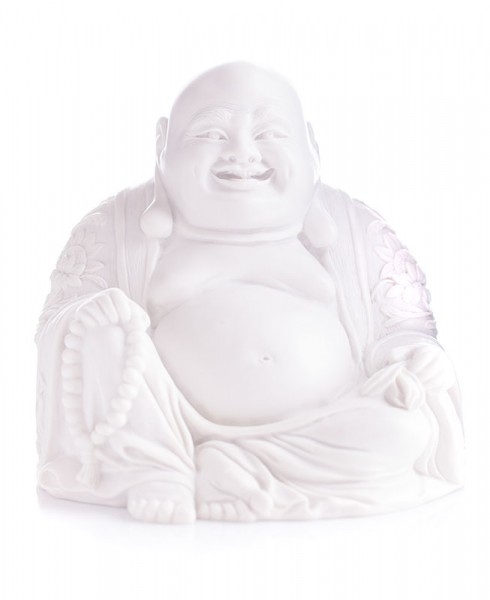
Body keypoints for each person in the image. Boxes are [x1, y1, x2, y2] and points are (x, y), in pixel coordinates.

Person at [36, 62, 464, 523]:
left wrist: (416, 356)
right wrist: (94, 316)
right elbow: (59, 331)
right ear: (163, 145)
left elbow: (405, 328)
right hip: (165, 427)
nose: (242, 153)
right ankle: (158, 467)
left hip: (325, 428)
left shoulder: (357, 228)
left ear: (311, 146)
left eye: (269, 134)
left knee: (406, 431)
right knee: (99, 325)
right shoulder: (111, 228)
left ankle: (227, 469)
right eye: (212, 134)